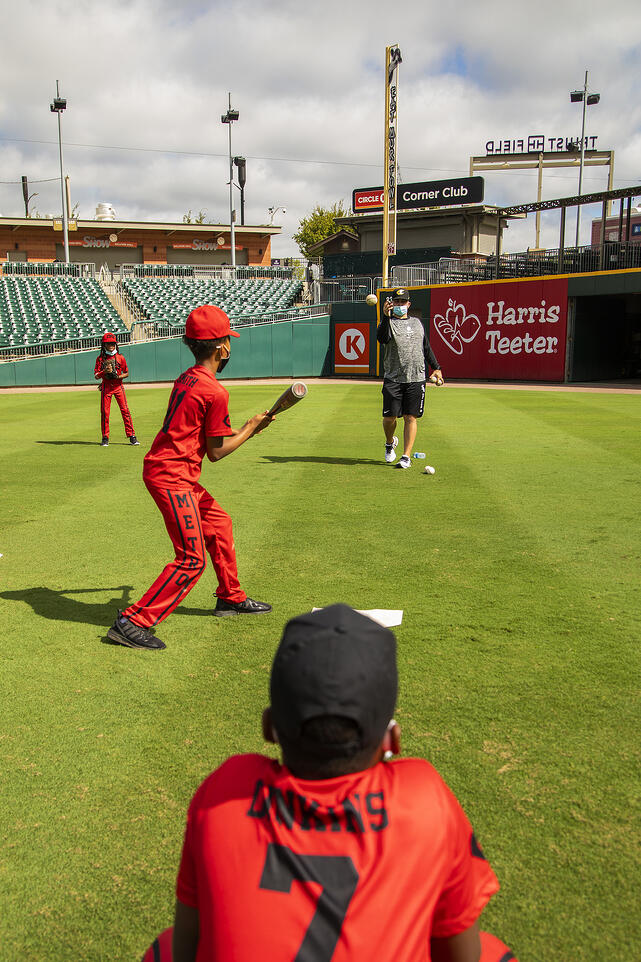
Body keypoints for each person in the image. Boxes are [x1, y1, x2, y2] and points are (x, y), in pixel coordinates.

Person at [172, 604, 500, 962]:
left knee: (165, 946)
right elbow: (459, 954)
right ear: (393, 741)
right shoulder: (424, 799)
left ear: (269, 729)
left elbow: (188, 946)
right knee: (492, 952)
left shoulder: (225, 791)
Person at [106, 305, 273, 652]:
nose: (230, 345)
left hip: (172, 471)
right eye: (228, 340)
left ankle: (230, 596)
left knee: (220, 524)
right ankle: (132, 622)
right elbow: (217, 451)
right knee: (191, 559)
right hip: (172, 476)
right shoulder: (214, 391)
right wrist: (251, 428)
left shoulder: (187, 376)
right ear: (220, 347)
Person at [377, 288, 443, 469]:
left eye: (402, 302)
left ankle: (406, 456)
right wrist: (385, 316)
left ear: (408, 304)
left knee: (410, 417)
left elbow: (426, 347)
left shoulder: (417, 323)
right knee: (390, 418)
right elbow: (381, 338)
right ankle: (390, 443)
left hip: (416, 377)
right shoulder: (388, 323)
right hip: (393, 377)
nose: (399, 305)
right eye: (396, 302)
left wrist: (436, 368)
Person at [94, 332, 139, 446]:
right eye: (109, 344)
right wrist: (105, 371)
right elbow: (96, 375)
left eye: (113, 343)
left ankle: (132, 436)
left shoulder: (120, 357)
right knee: (105, 413)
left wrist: (117, 376)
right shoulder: (100, 359)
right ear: (104, 345)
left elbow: (127, 373)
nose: (111, 346)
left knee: (125, 411)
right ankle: (105, 437)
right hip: (106, 386)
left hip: (118, 386)